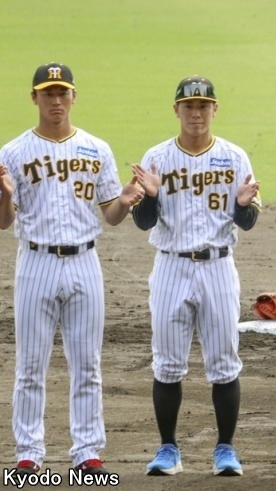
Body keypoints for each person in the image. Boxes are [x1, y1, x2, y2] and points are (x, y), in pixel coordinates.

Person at [0, 62, 142, 476]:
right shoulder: (12, 152)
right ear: (34, 98)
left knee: (87, 363)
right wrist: (6, 196)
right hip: (36, 262)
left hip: (84, 262)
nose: (56, 101)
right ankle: (28, 454)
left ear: (74, 96)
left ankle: (87, 453)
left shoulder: (96, 148)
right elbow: (4, 222)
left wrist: (127, 199)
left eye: (62, 93)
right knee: (30, 364)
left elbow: (110, 216)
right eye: (48, 93)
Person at [131, 75, 261, 477]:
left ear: (215, 109)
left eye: (204, 105)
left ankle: (225, 449)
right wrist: (150, 196)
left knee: (224, 362)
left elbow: (249, 220)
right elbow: (141, 222)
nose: (196, 113)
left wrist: (242, 205)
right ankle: (168, 449)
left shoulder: (235, 157)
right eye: (189, 106)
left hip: (219, 266)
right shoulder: (156, 157)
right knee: (167, 363)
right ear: (176, 110)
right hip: (170, 264)